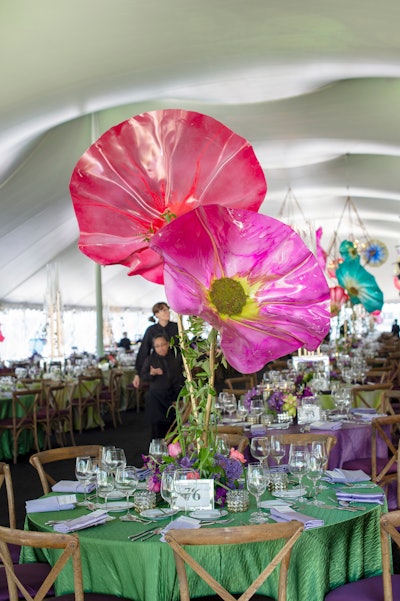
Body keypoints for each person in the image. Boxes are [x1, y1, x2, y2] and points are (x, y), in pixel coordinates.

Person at [140, 334, 185, 439]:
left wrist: (179, 398)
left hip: (173, 399)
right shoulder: (150, 359)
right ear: (154, 348)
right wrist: (152, 373)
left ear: (168, 344)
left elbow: (179, 379)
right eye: (157, 346)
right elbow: (143, 377)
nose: (161, 348)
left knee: (174, 432)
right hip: (156, 400)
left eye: (163, 345)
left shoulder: (174, 358)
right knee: (157, 432)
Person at [132, 302, 179, 388]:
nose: (167, 312)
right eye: (164, 310)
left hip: (175, 368)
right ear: (156, 314)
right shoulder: (151, 330)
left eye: (167, 310)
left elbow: (184, 348)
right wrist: (138, 373)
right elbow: (144, 351)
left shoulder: (176, 327)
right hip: (158, 369)